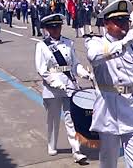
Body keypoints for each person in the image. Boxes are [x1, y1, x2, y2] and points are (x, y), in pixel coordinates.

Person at [85, 0, 133, 168]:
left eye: (126, 20)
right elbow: (94, 57)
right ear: (106, 23)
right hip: (108, 112)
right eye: (118, 21)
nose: (124, 25)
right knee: (108, 161)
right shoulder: (96, 42)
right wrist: (123, 43)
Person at [35, 13, 93, 164]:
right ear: (47, 29)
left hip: (69, 86)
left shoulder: (69, 43)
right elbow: (42, 70)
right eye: (52, 28)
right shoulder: (42, 46)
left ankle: (77, 151)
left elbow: (75, 65)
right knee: (53, 118)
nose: (56, 30)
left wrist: (85, 74)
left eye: (58, 27)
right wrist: (55, 83)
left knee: (71, 120)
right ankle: (52, 144)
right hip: (52, 88)